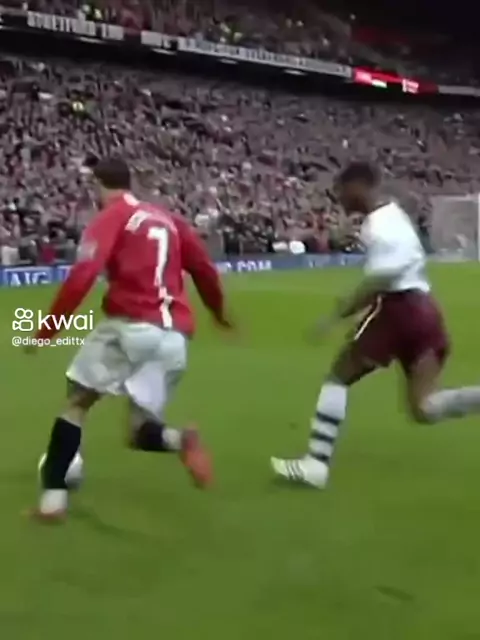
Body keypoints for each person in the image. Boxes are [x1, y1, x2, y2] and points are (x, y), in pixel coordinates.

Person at [27, 157, 233, 521]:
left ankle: (52, 501)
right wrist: (217, 313)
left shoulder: (112, 216)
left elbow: (83, 275)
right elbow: (203, 269)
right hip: (174, 337)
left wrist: (47, 331)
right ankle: (180, 440)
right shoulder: (168, 219)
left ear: (97, 185)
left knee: (76, 402)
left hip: (131, 325)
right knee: (138, 432)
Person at [271, 161, 480, 489]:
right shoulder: (394, 216)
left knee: (338, 377)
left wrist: (341, 311)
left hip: (398, 310)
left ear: (358, 186)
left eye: (341, 190)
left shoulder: (378, 225)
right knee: (424, 407)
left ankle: (315, 464)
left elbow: (383, 277)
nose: (339, 197)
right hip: (426, 310)